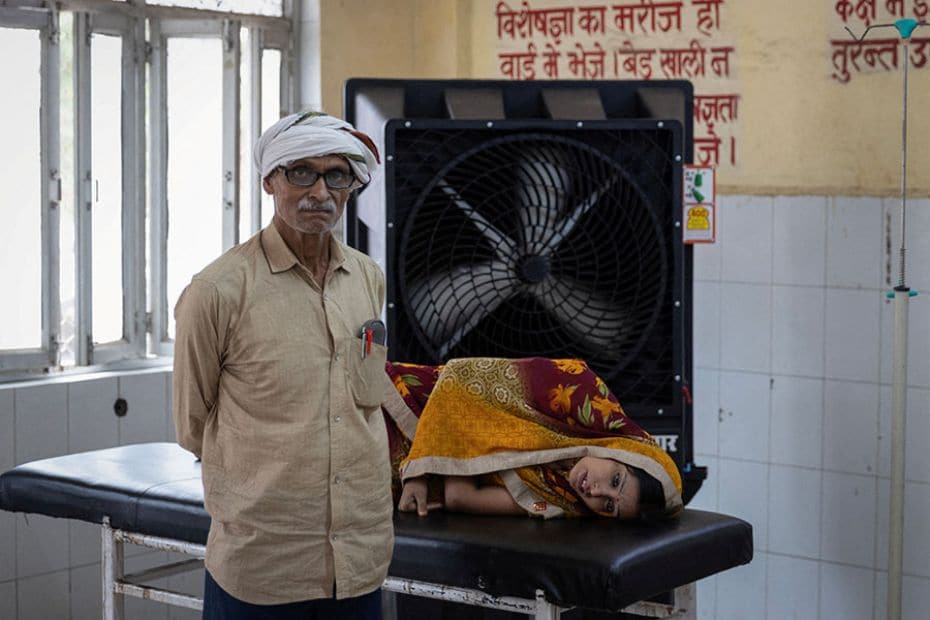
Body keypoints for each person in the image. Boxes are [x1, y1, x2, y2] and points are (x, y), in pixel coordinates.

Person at [173, 111, 391, 620]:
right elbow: (192, 426)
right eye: (301, 173)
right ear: (270, 180)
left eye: (336, 175)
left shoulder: (366, 278)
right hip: (262, 567)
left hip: (359, 560)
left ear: (352, 186)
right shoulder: (217, 292)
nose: (319, 191)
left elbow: (364, 397)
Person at [380, 357, 683, 521]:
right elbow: (460, 377)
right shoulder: (579, 389)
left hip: (389, 480)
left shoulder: (559, 499)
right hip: (395, 409)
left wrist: (436, 463)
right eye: (615, 480)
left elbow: (461, 498)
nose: (595, 491)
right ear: (624, 452)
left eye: (607, 506)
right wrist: (419, 469)